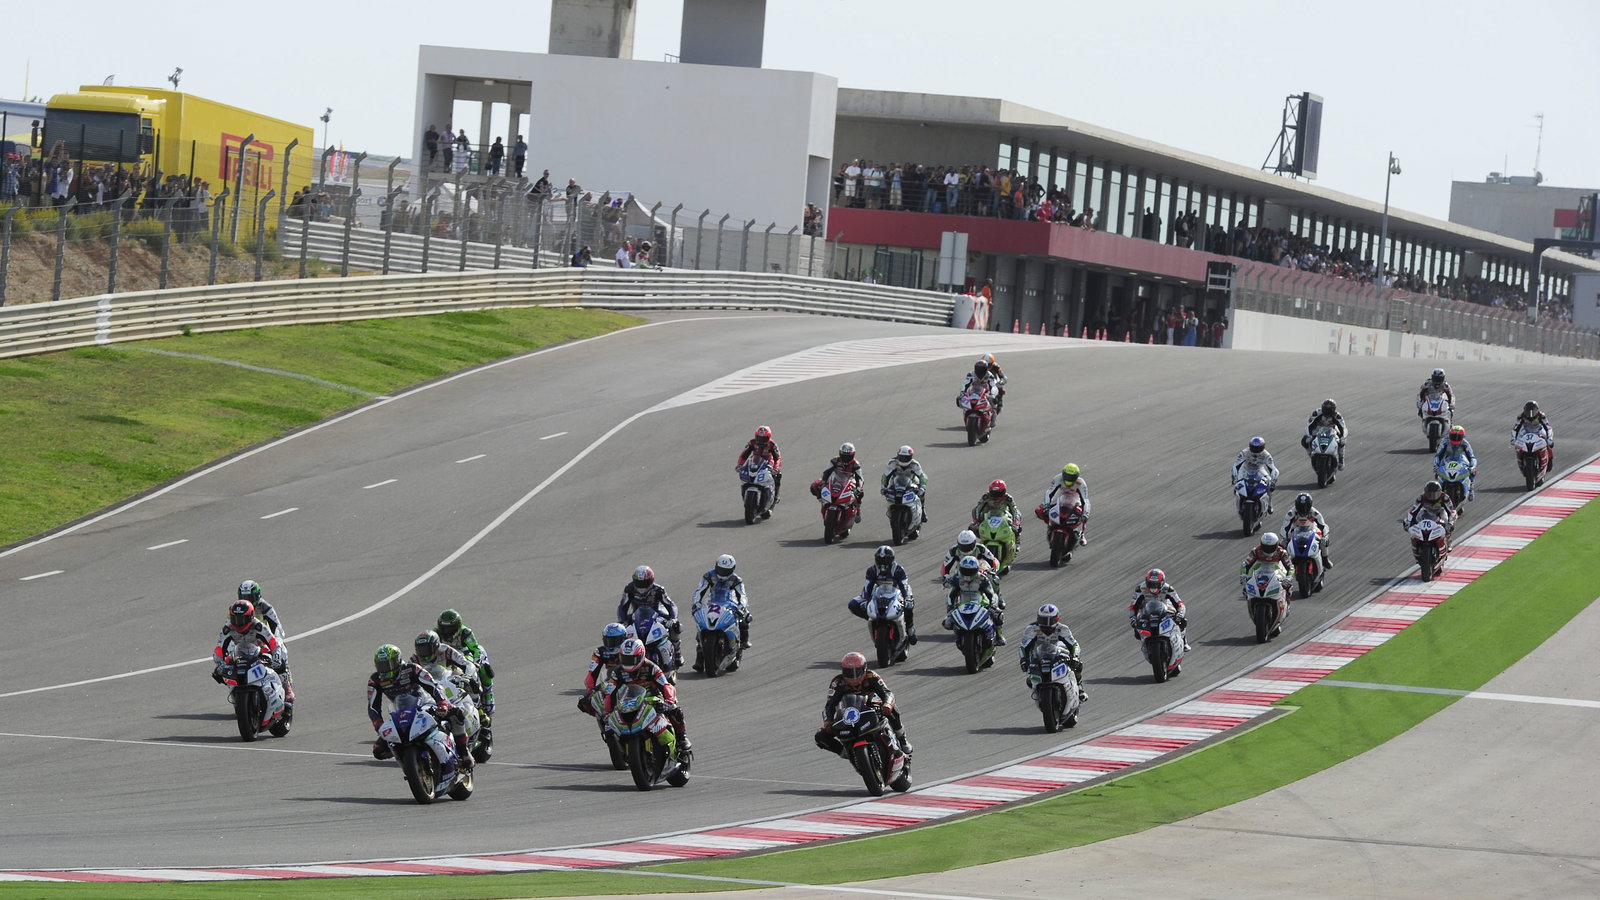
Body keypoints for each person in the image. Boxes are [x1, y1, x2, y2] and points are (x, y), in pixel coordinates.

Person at [367, 644, 471, 767]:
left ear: (397, 661)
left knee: (456, 713)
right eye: (381, 666)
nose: (384, 669)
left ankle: (464, 752)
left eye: (387, 665)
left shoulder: (412, 669)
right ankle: (407, 759)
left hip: (425, 705)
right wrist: (377, 722)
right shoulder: (375, 680)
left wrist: (442, 703)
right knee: (378, 750)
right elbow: (373, 705)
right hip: (401, 713)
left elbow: (433, 686)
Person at [604, 638, 689, 759]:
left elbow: (666, 685)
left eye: (631, 659)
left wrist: (669, 701)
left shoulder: (651, 667)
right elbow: (609, 694)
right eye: (624, 658)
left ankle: (682, 738)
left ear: (640, 656)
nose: (627, 662)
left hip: (653, 698)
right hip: (629, 701)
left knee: (675, 711)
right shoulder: (617, 672)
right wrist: (607, 712)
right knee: (609, 727)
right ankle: (621, 752)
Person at [814, 651, 910, 757]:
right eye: (849, 672)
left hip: (872, 708)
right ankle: (845, 753)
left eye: (856, 672)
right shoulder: (838, 682)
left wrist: (887, 704)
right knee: (820, 736)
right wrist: (828, 721)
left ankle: (902, 738)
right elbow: (830, 705)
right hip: (849, 715)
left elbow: (887, 693)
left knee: (893, 710)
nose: (853, 677)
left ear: (864, 669)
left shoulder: (872, 676)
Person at [213, 599, 294, 708]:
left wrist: (276, 657)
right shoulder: (228, 628)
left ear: (251, 617)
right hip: (239, 651)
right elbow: (219, 647)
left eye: (242, 619)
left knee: (280, 665)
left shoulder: (258, 626)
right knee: (220, 672)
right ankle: (235, 693)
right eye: (235, 619)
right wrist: (220, 663)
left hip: (259, 650)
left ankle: (287, 690)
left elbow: (273, 642)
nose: (238, 623)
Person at [690, 554, 753, 670]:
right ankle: (699, 658)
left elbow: (743, 595)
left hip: (730, 602)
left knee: (746, 616)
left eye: (726, 571)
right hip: (712, 602)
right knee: (703, 624)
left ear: (732, 569)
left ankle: (744, 640)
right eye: (720, 569)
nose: (722, 573)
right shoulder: (709, 575)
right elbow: (699, 591)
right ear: (716, 566)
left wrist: (742, 606)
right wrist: (696, 604)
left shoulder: (736, 579)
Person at [847, 545, 918, 643]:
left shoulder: (898, 570)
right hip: (879, 594)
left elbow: (904, 586)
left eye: (885, 560)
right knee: (852, 605)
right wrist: (865, 600)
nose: (882, 564)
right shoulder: (871, 570)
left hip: (897, 593)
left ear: (891, 559)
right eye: (880, 560)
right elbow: (868, 587)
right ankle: (872, 619)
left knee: (909, 606)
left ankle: (910, 629)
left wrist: (907, 598)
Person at [1018, 603, 1087, 701]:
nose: (1046, 624)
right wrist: (1023, 659)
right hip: (1038, 657)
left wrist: (1075, 656)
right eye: (1042, 620)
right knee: (1029, 681)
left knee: (1077, 664)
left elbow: (1074, 645)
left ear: (1057, 619)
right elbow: (1023, 647)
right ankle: (1039, 693)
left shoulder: (1062, 629)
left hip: (1057, 654)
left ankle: (1079, 687)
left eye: (1049, 621)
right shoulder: (1032, 629)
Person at [616, 565, 681, 668]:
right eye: (639, 583)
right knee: (618, 631)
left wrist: (673, 618)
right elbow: (623, 606)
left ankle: (677, 653)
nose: (642, 586)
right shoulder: (629, 589)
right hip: (637, 615)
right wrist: (623, 621)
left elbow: (671, 605)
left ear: (651, 580)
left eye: (644, 583)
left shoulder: (658, 589)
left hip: (656, 614)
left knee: (676, 625)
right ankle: (620, 660)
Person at [435, 608, 495, 716]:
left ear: (458, 626)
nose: (446, 632)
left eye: (450, 628)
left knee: (484, 666)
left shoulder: (465, 632)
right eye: (444, 628)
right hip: (445, 658)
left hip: (464, 656)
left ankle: (488, 696)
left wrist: (477, 662)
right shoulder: (435, 634)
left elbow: (476, 649)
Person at [941, 554, 1005, 645]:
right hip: (962, 604)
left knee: (998, 615)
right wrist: (950, 608)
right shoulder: (956, 579)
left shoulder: (982, 579)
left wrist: (992, 605)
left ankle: (999, 635)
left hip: (981, 603)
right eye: (965, 571)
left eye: (970, 571)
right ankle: (959, 635)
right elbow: (950, 595)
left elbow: (991, 594)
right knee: (947, 623)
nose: (967, 574)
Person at [1128, 568, 1190, 651]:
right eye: (1151, 584)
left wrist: (1180, 614)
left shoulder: (1168, 589)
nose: (1153, 587)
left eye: (1156, 584)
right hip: (1146, 610)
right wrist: (1132, 617)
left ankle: (1183, 640)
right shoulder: (1140, 589)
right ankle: (1145, 643)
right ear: (1147, 582)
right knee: (1136, 628)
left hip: (1164, 608)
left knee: (1181, 620)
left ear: (1162, 583)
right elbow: (1133, 606)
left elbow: (1179, 603)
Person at [1039, 463, 1091, 545]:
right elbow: (1049, 493)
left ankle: (1081, 534)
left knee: (1081, 513)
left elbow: (1085, 500)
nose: (1068, 479)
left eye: (1071, 477)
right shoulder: (1057, 478)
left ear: (1076, 477)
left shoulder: (1081, 483)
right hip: (1060, 495)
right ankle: (1051, 524)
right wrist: (1046, 506)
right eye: (1067, 476)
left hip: (1074, 498)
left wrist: (1086, 514)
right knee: (1040, 510)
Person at [813, 443, 864, 524]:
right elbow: (826, 472)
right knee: (815, 485)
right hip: (835, 480)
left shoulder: (856, 464)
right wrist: (823, 482)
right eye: (844, 455)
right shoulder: (834, 460)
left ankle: (858, 509)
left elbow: (860, 478)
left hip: (849, 481)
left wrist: (859, 488)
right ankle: (823, 501)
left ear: (853, 454)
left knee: (860, 493)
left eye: (848, 455)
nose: (846, 457)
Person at [1281, 493, 1334, 570]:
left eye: (1306, 507)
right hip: (1296, 531)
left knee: (1323, 541)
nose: (1303, 509)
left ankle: (1325, 559)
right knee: (1283, 545)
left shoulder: (1314, 512)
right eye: (1301, 507)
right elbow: (1284, 527)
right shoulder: (1291, 513)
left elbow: (1323, 525)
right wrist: (1283, 538)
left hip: (1312, 530)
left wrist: (1325, 536)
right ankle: (1285, 563)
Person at [971, 478, 1023, 554]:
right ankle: (972, 544)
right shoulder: (986, 496)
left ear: (1004, 492)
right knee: (971, 527)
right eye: (993, 493)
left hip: (1003, 515)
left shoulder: (1008, 498)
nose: (996, 496)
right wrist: (976, 521)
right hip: (987, 515)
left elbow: (1014, 509)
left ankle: (1017, 541)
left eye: (998, 493)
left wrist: (1015, 523)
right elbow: (978, 507)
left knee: (1017, 519)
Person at [737, 425, 783, 506]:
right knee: (745, 472)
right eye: (759, 438)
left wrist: (776, 468)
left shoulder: (772, 445)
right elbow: (744, 455)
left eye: (763, 439)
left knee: (778, 475)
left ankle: (776, 495)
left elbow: (777, 458)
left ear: (768, 437)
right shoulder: (752, 442)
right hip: (754, 461)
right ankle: (745, 489)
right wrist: (740, 465)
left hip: (768, 462)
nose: (761, 441)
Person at [881, 445, 928, 525]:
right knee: (888, 492)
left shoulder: (915, 464)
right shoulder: (892, 463)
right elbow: (885, 476)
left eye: (906, 458)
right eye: (901, 457)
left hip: (911, 481)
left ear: (911, 457)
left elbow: (922, 476)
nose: (903, 460)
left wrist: (922, 487)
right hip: (896, 481)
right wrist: (883, 487)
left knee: (921, 492)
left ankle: (922, 510)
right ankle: (891, 508)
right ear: (898, 456)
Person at [1232, 436, 1281, 512]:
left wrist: (1273, 482)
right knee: (1237, 486)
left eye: (1258, 449)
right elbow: (1235, 466)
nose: (1255, 451)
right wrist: (1234, 478)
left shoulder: (1266, 455)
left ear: (1263, 447)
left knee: (1269, 485)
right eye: (1253, 448)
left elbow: (1274, 469)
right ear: (1250, 446)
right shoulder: (1244, 452)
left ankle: (1269, 504)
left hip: (1259, 470)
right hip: (1245, 470)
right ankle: (1240, 503)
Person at [1402, 481, 1458, 545]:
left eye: (1435, 494)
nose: (1432, 497)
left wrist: (1451, 522)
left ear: (1440, 492)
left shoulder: (1445, 497)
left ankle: (1448, 539)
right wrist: (1409, 521)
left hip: (1440, 512)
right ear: (1425, 493)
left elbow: (1452, 511)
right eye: (1429, 494)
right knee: (1418, 517)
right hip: (1426, 512)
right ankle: (1417, 538)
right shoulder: (1421, 498)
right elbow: (1413, 511)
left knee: (1446, 520)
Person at [1301, 398, 1348, 472]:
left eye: (1330, 410)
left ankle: (1341, 459)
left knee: (1342, 442)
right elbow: (1309, 425)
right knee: (1304, 440)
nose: (1327, 412)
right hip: (1318, 430)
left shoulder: (1337, 416)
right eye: (1326, 409)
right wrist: (1309, 435)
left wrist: (1342, 437)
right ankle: (1311, 453)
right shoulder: (1317, 413)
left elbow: (1343, 428)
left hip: (1332, 430)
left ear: (1334, 409)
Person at [1433, 425, 1479, 501]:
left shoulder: (1465, 443)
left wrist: (1472, 467)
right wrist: (1436, 465)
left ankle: (1471, 489)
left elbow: (1471, 457)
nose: (1456, 438)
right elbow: (1438, 455)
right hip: (1447, 460)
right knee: (1438, 472)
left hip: (1460, 460)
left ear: (1463, 436)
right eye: (1453, 436)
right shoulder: (1445, 442)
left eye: (1458, 436)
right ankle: (1439, 489)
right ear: (1450, 435)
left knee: (1472, 471)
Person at [1512, 401, 1554, 468]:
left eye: (1533, 411)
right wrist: (1514, 438)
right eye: (1528, 412)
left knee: (1547, 441)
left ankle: (1550, 457)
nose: (1530, 414)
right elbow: (1516, 428)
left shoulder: (1542, 416)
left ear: (1537, 410)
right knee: (1518, 443)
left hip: (1538, 430)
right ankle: (1521, 458)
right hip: (1526, 431)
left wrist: (1550, 439)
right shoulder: (1521, 417)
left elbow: (1548, 427)